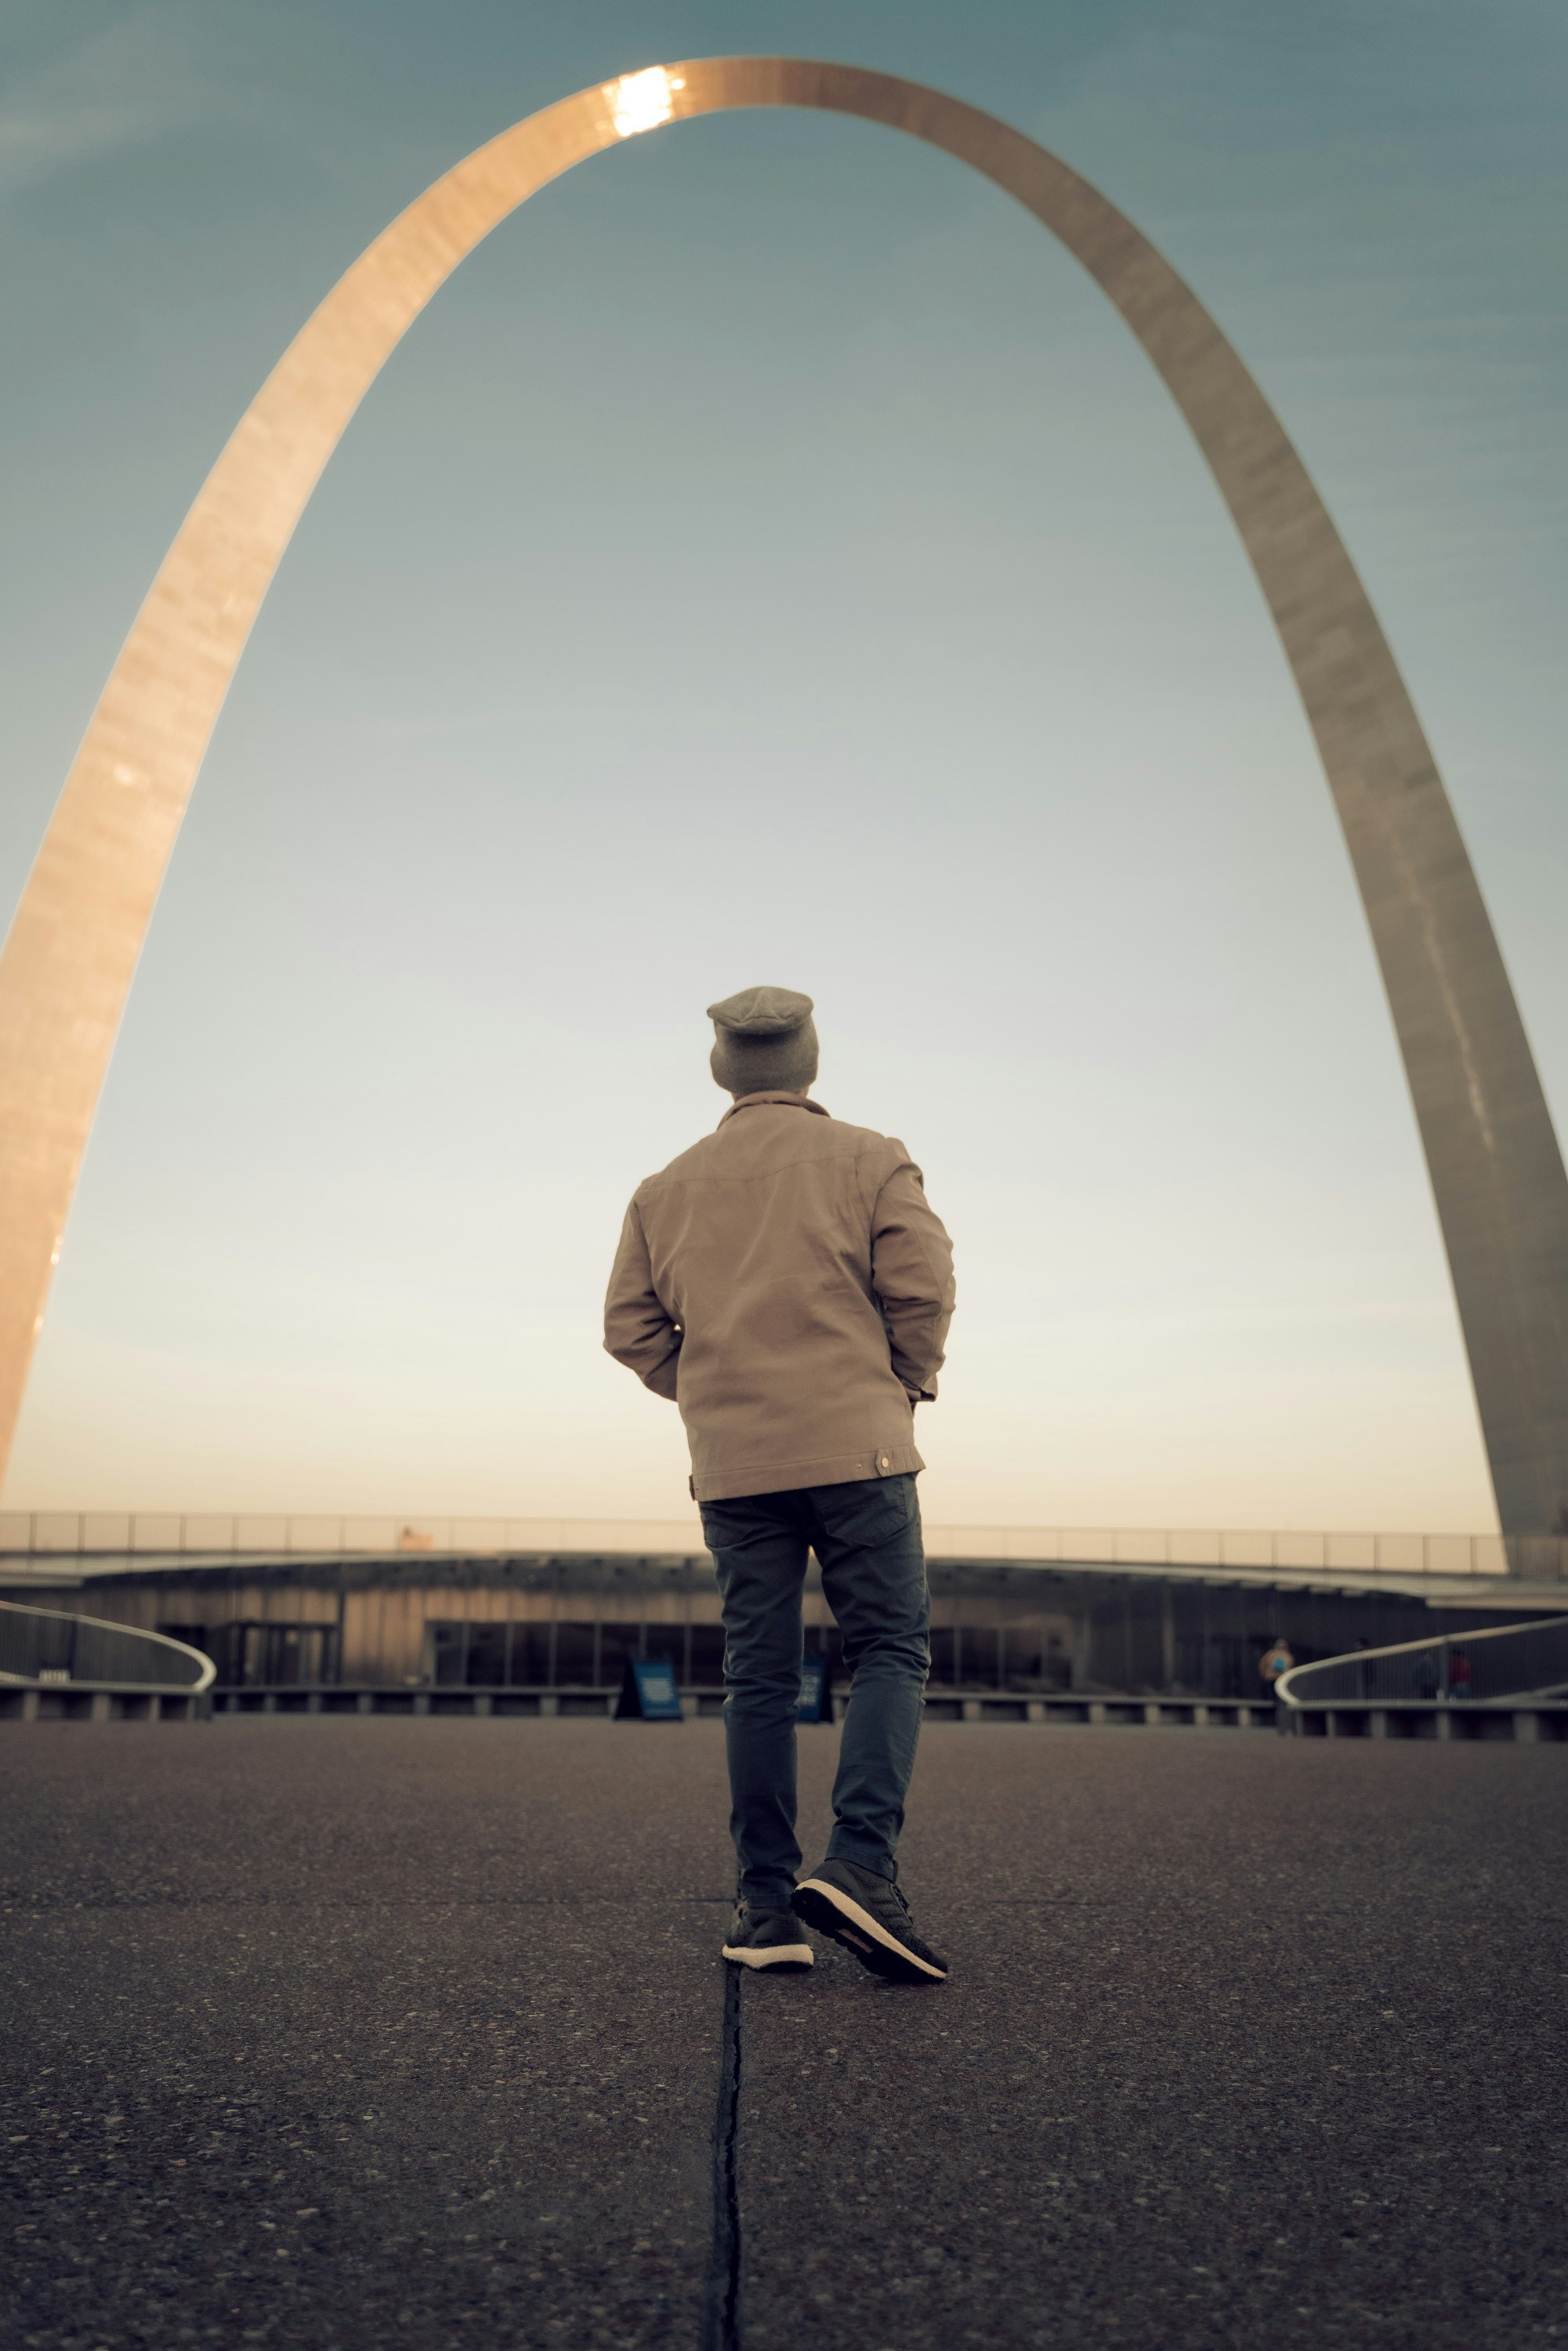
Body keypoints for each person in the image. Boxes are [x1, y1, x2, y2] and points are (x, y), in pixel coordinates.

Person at [604, 986, 956, 1983]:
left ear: (721, 1067)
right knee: (889, 1646)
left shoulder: (662, 1189)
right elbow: (923, 1289)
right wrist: (902, 1384)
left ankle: (766, 1909)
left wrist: (713, 1392)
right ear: (811, 1058)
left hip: (736, 1469)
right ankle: (861, 1869)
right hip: (862, 1453)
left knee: (759, 1675)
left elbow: (628, 1329)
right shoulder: (872, 1157)